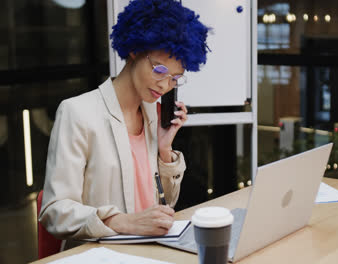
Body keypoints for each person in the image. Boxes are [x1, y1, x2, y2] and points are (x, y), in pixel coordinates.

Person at [39, 0, 210, 246]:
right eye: (159, 70)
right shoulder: (77, 112)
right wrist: (122, 222)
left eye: (175, 78)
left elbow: (166, 206)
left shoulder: (154, 115)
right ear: (134, 50)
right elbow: (54, 211)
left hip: (151, 251)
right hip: (99, 255)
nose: (164, 85)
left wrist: (164, 152)